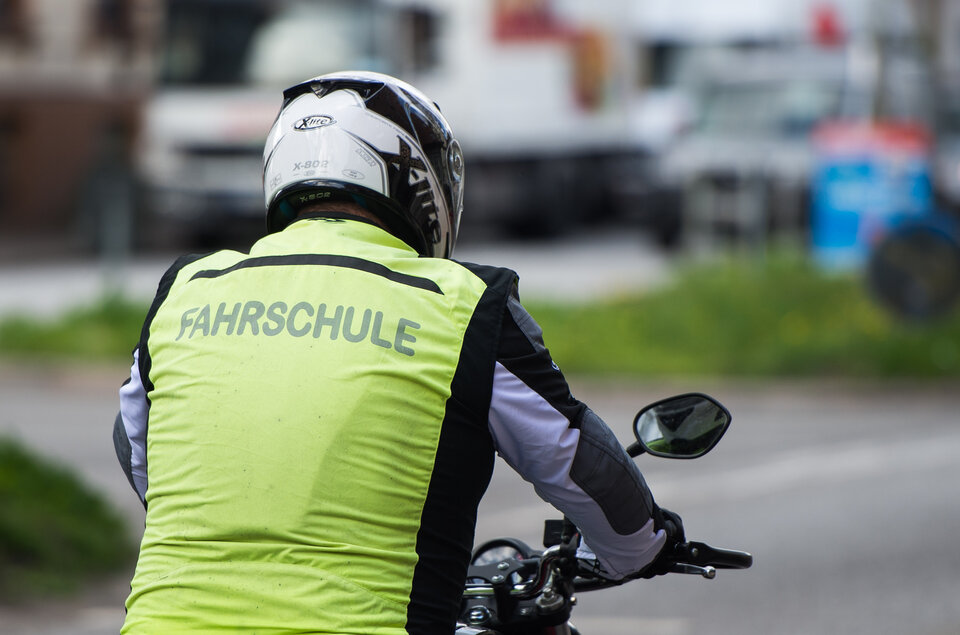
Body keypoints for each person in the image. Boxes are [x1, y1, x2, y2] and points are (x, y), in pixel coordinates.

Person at [113, 70, 682, 634]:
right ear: (413, 179)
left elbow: (140, 453)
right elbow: (574, 459)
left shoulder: (185, 289)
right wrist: (645, 547)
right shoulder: (463, 306)